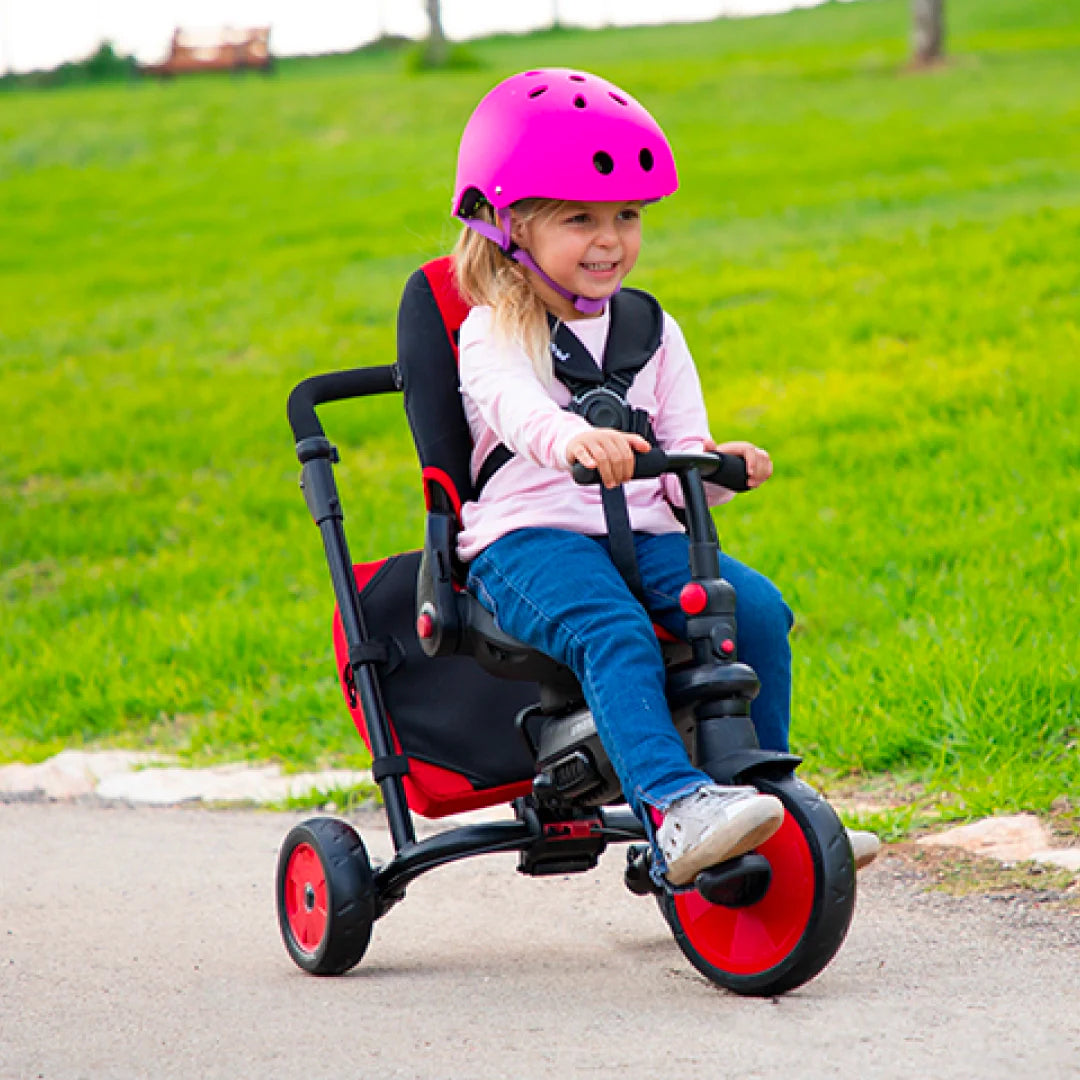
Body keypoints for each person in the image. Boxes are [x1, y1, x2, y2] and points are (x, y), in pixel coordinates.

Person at [448, 68, 877, 883]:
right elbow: (514, 412)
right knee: (609, 627)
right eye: (579, 219)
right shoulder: (494, 329)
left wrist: (722, 468)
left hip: (641, 530)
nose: (610, 240)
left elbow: (683, 453)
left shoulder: (651, 327)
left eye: (627, 217)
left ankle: (768, 795)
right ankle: (675, 805)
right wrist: (573, 439)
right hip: (529, 543)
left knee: (752, 608)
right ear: (509, 226)